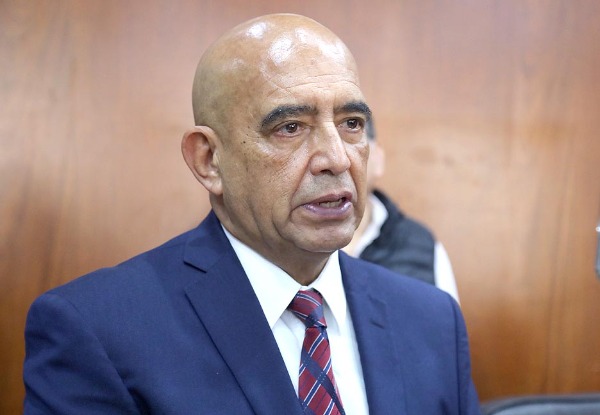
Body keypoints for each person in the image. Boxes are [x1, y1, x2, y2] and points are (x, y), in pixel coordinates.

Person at [23, 13, 481, 414]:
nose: (337, 158)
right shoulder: (97, 330)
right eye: (290, 127)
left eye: (351, 124)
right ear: (209, 160)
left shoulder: (431, 320)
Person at [343, 118, 460, 302]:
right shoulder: (297, 242)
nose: (339, 161)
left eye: (350, 143)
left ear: (378, 158)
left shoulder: (422, 246)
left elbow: (446, 319)